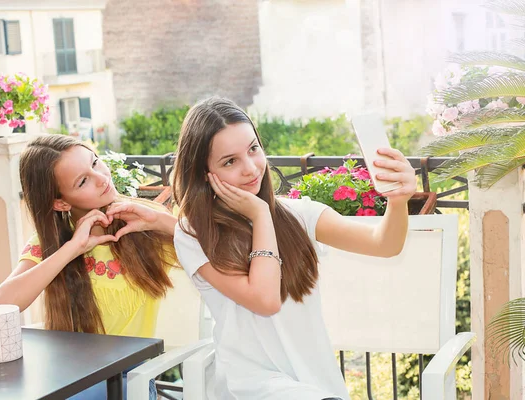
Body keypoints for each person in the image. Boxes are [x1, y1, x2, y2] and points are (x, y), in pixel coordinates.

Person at [171, 97, 417, 400]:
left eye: (253, 149)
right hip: (250, 386)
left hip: (314, 381)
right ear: (202, 174)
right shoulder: (193, 235)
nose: (251, 169)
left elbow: (385, 245)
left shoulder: (299, 215)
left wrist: (398, 199)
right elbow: (265, 300)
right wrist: (261, 215)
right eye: (230, 161)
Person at [0, 135, 177, 399]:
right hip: (67, 376)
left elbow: (218, 254)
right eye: (83, 181)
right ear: (61, 202)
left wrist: (161, 220)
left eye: (96, 162)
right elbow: (1, 305)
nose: (102, 177)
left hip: (126, 379)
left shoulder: (145, 220)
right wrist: (72, 249)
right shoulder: (53, 242)